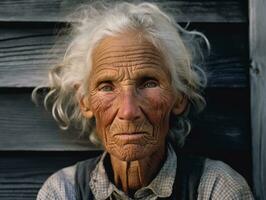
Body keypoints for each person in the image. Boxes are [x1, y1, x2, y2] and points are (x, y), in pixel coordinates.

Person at [34, 2, 253, 200]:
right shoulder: (63, 192)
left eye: (148, 83)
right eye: (107, 87)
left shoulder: (217, 189)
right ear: (85, 101)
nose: (128, 111)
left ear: (179, 97)